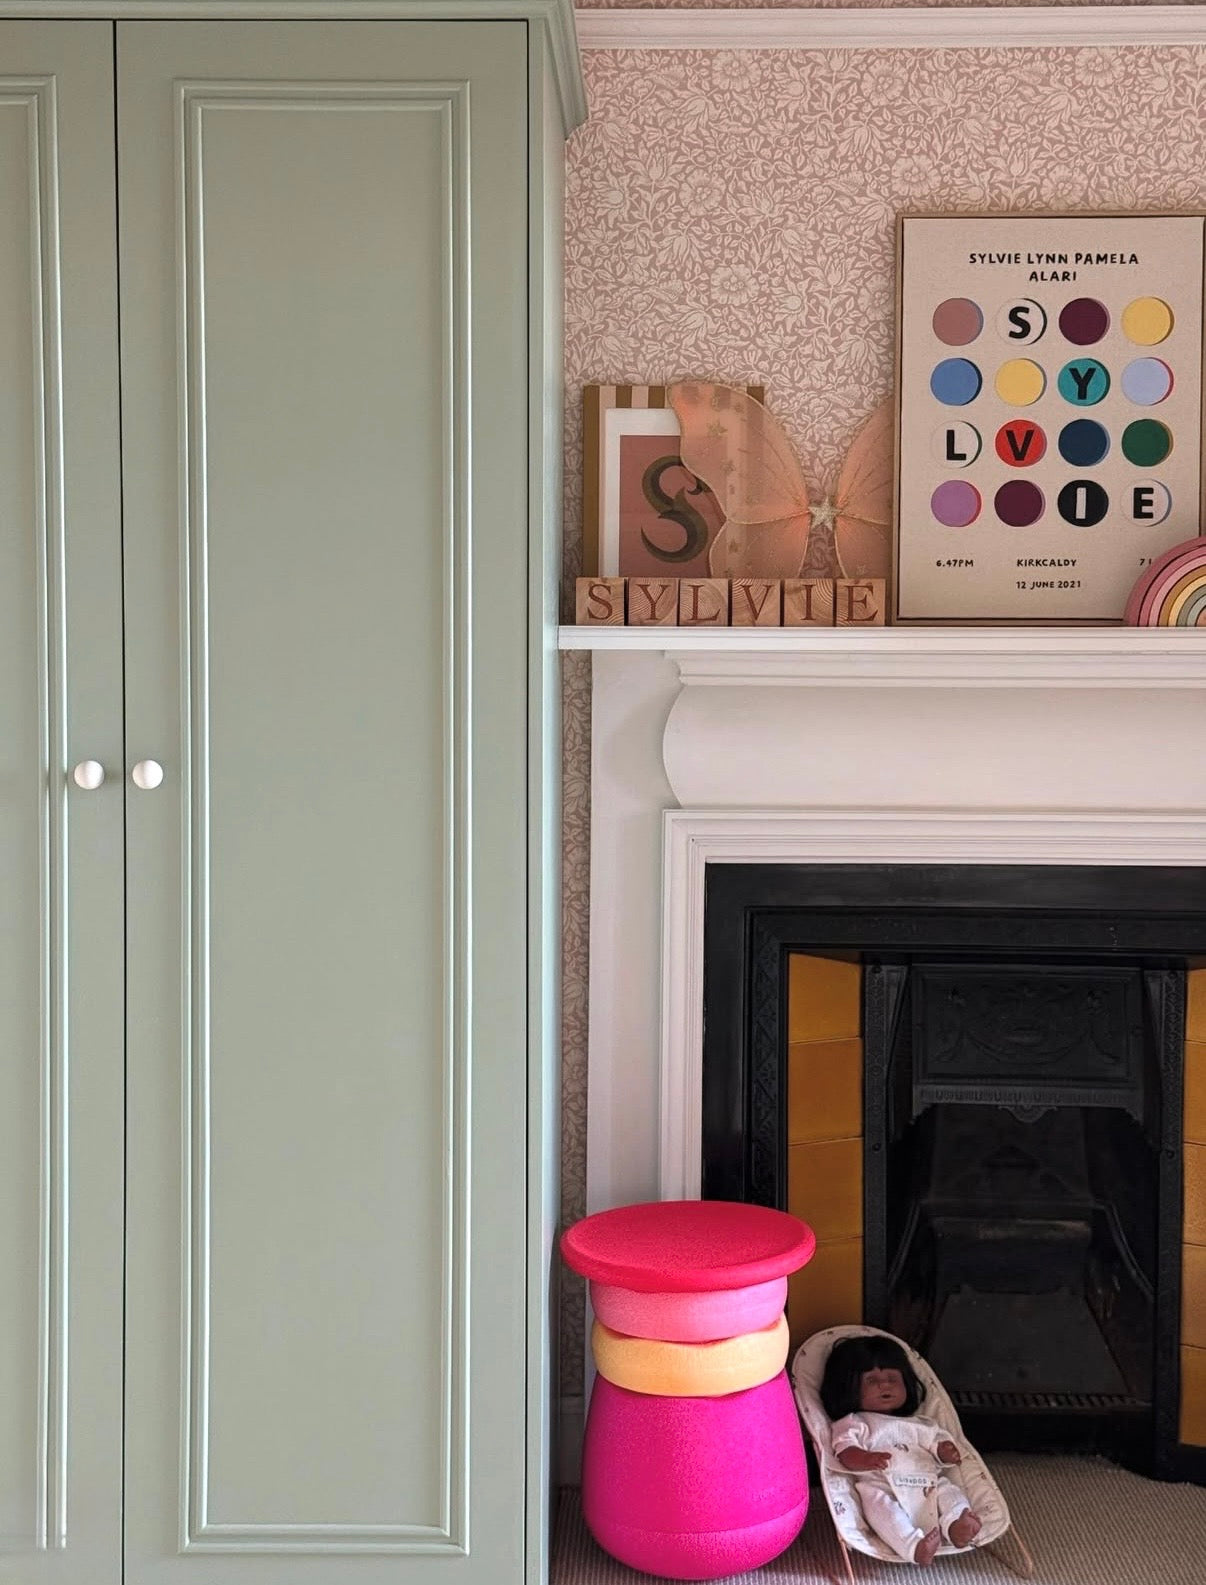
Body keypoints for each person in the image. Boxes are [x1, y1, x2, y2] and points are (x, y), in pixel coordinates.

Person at [819, 1335, 983, 1566]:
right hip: (883, 1485)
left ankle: (956, 1525)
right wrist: (865, 1458)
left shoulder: (920, 1423)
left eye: (892, 1379)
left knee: (951, 1493)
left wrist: (945, 1451)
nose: (884, 1385)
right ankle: (913, 1546)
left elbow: (937, 1446)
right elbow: (845, 1453)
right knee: (879, 1508)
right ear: (849, 1388)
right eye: (872, 1380)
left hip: (929, 1484)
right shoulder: (855, 1422)